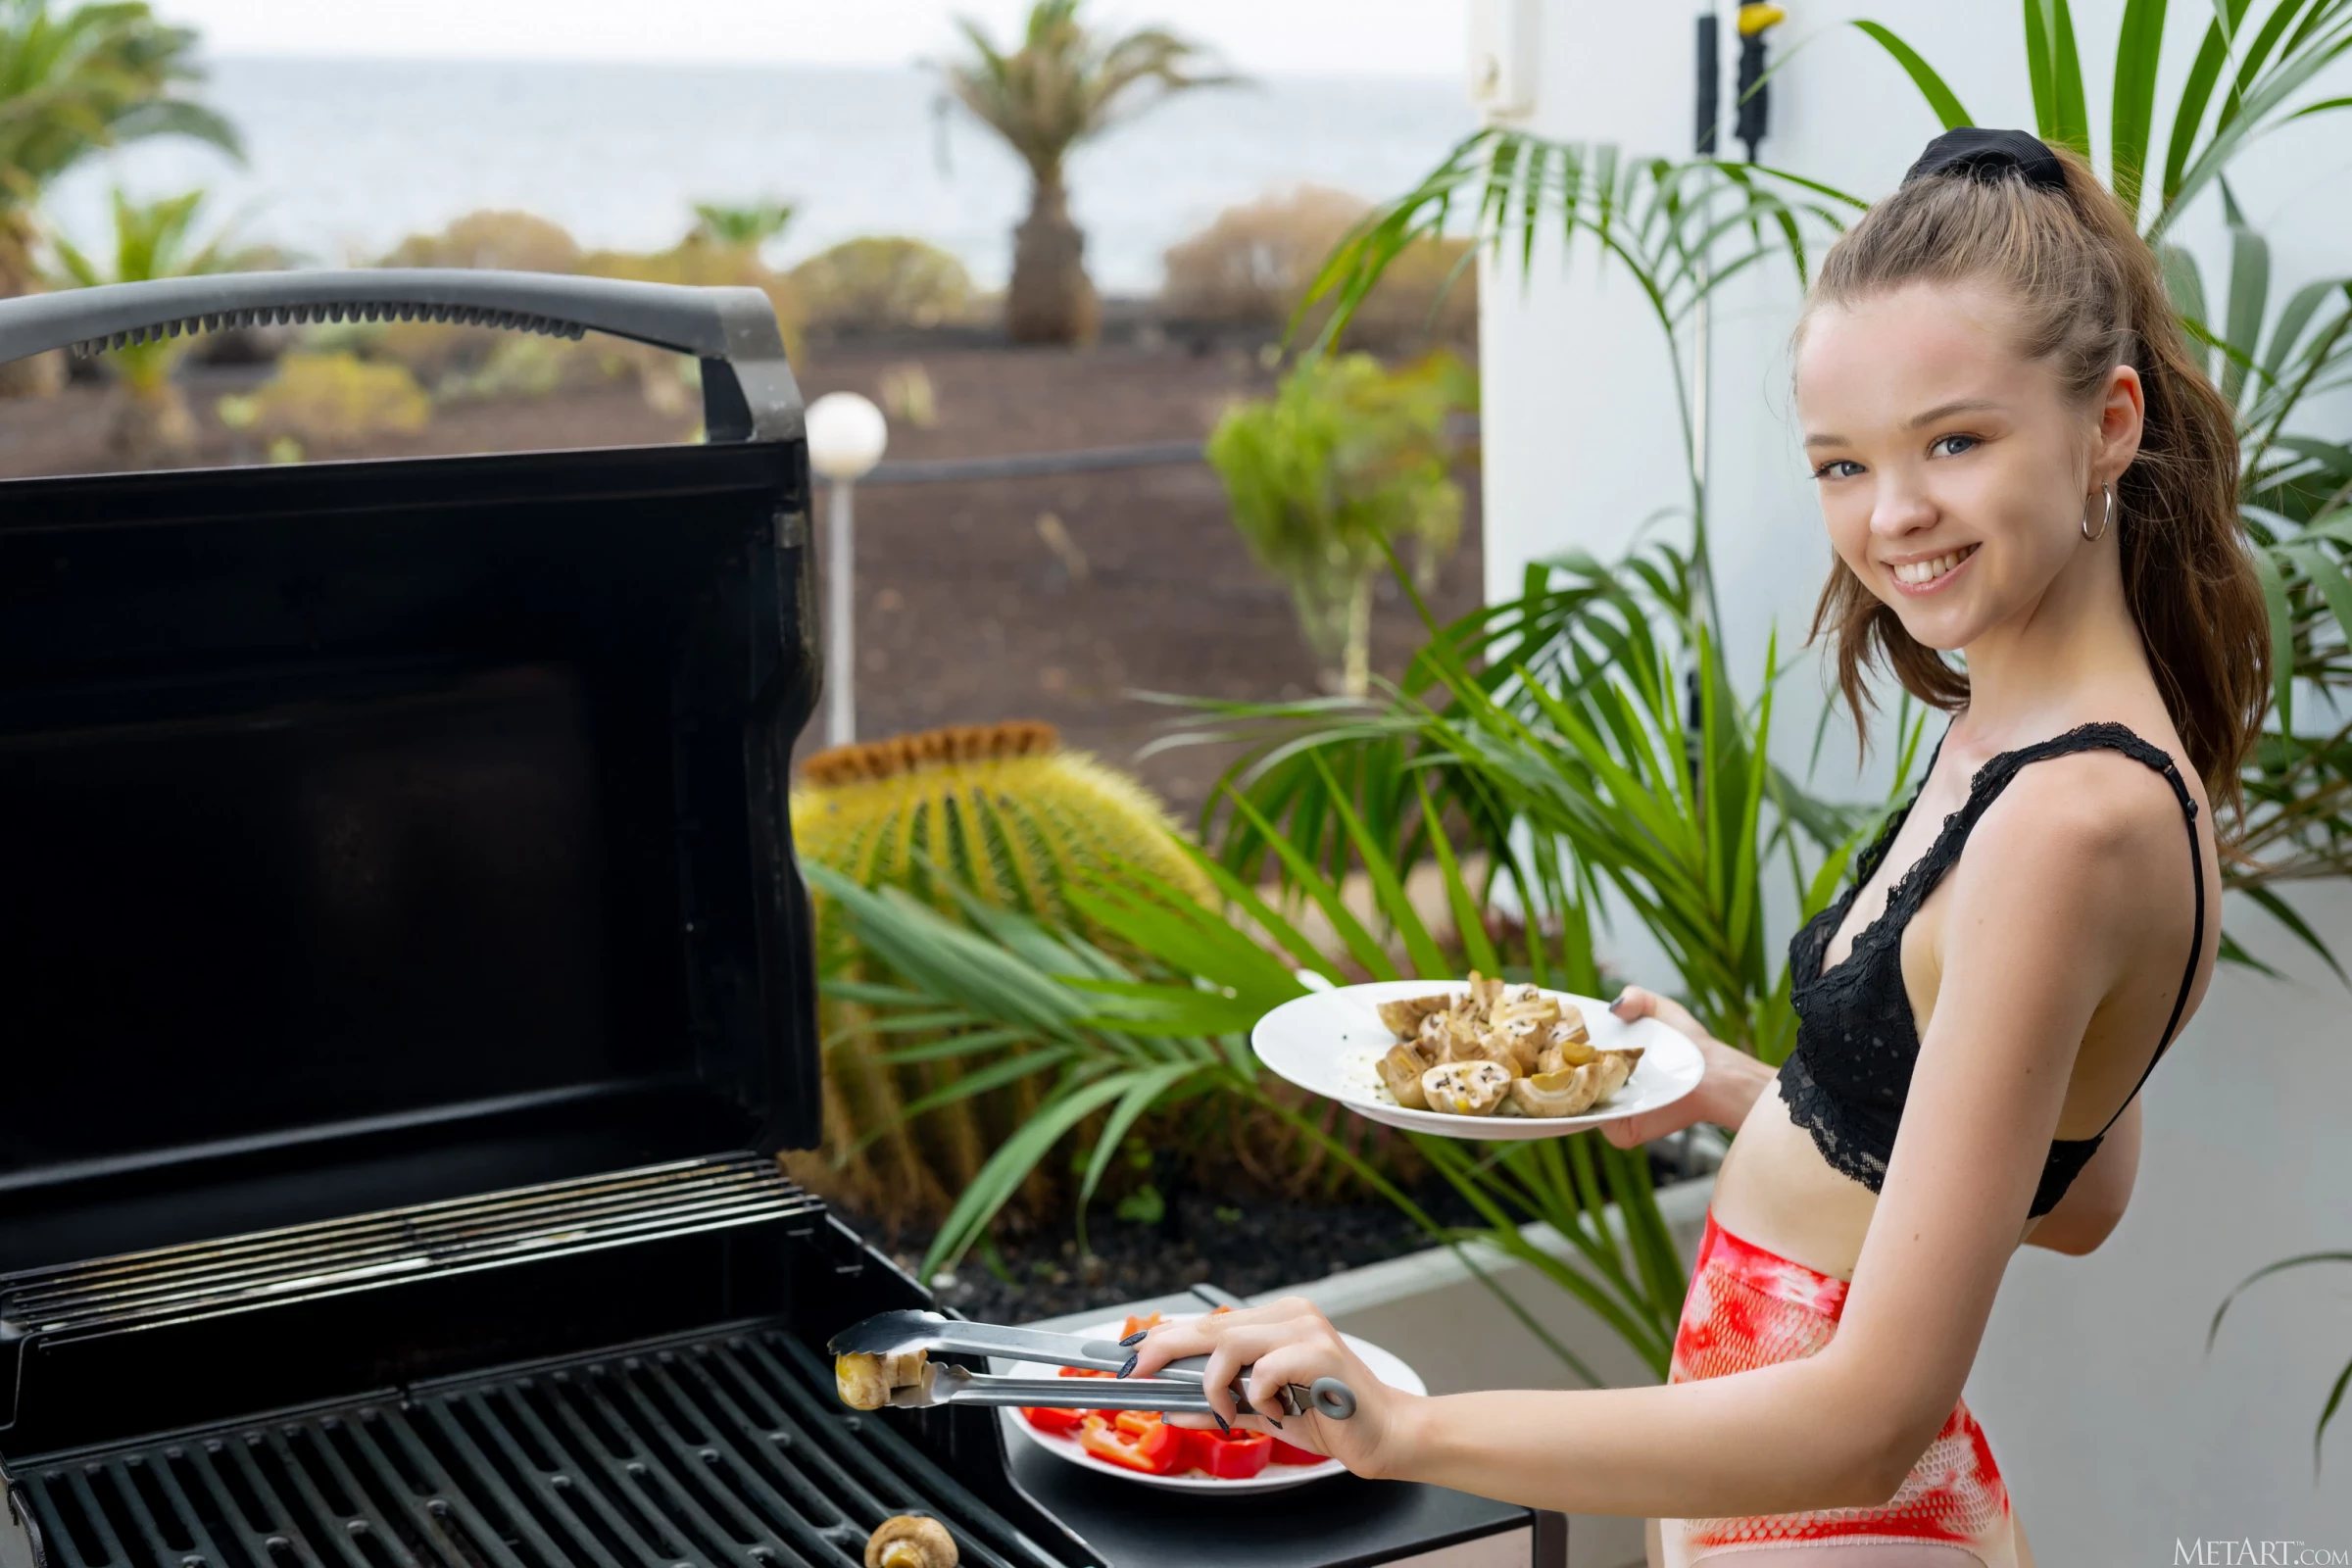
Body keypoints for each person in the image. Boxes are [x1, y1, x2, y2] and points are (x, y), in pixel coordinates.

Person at [1121, 127, 2268, 1565]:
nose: (1891, 514)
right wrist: (1739, 1091)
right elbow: (2077, 1188)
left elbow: (1865, 1414)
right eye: (1842, 464)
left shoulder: (2069, 821)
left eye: (1954, 441)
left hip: (1846, 1515)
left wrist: (1402, 1430)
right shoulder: (2020, 741)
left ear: (2108, 423)